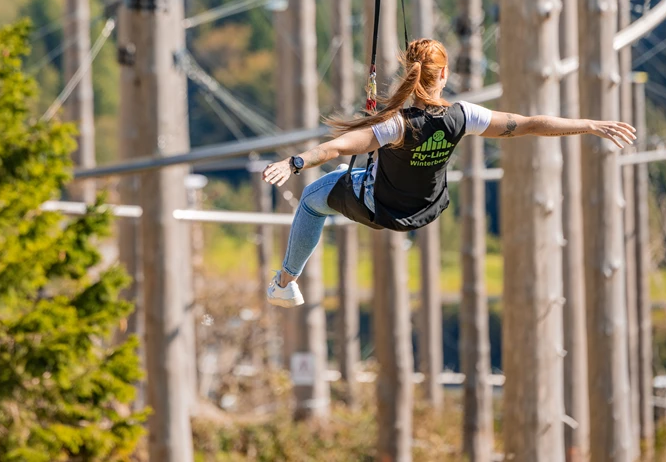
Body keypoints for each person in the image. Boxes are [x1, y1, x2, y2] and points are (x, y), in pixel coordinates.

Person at [262, 38, 635, 307]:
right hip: (423, 210)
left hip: (380, 207)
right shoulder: (463, 115)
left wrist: (293, 163)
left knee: (312, 202)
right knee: (347, 175)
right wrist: (588, 124)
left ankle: (285, 282)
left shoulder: (396, 126)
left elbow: (336, 147)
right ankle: (351, 184)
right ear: (443, 74)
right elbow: (528, 124)